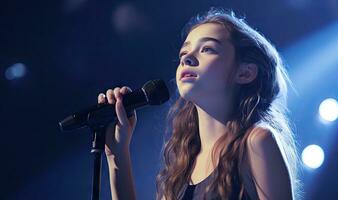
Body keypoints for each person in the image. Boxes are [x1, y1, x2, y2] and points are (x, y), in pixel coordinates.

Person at [98, 8, 300, 200]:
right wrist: (117, 154)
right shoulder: (183, 163)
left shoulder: (256, 142)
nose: (187, 58)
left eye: (207, 49)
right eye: (183, 53)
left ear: (245, 73)